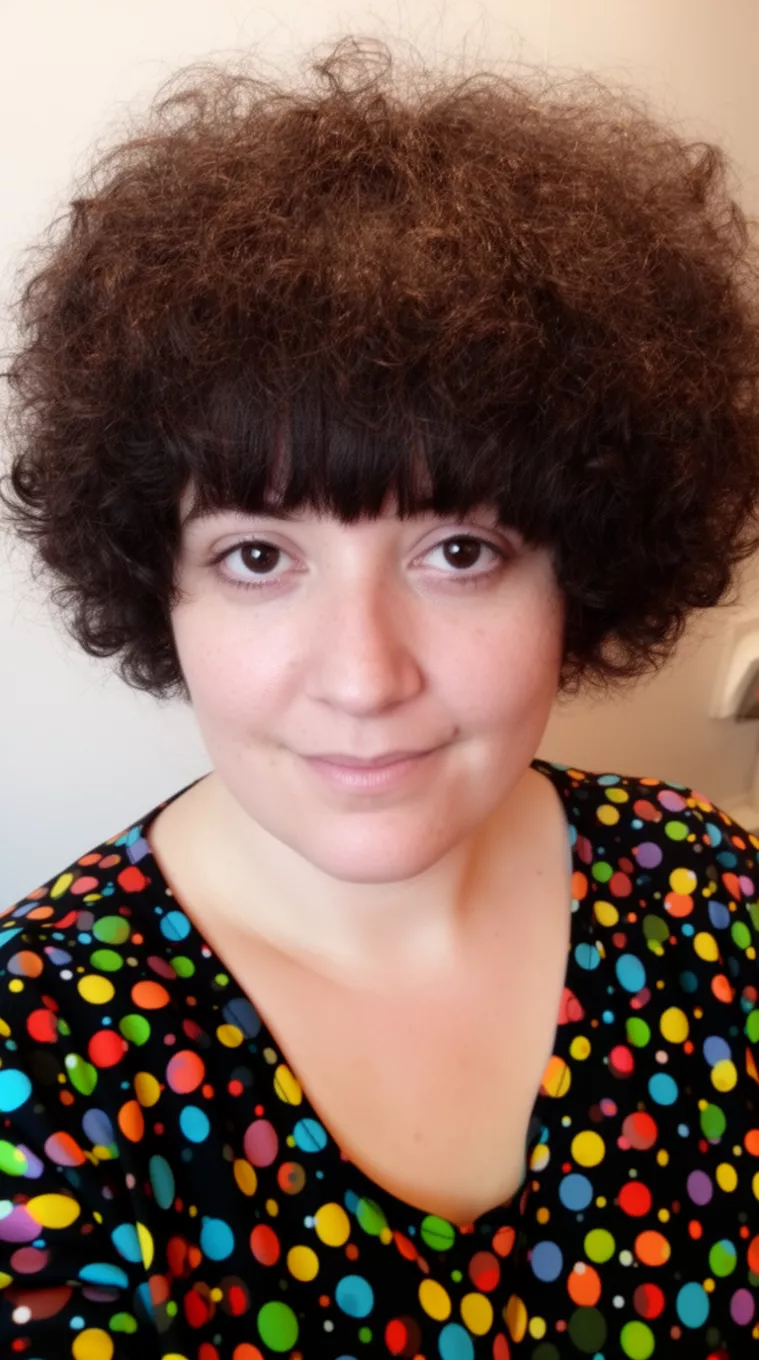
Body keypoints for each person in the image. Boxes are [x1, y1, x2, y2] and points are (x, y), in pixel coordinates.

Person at [1, 32, 758, 1360]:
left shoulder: (717, 893)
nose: (363, 676)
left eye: (457, 553)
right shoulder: (36, 1061)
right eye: (256, 556)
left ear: (579, 569)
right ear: (151, 582)